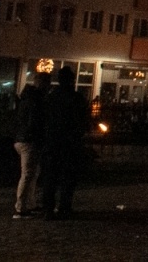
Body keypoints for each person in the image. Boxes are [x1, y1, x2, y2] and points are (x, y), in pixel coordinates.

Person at [41, 65, 88, 218]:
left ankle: (48, 208)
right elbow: (83, 121)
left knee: (51, 177)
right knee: (67, 177)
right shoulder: (76, 98)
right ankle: (64, 207)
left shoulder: (51, 97)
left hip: (53, 141)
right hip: (69, 142)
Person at [13, 70, 51, 218]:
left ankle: (29, 204)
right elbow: (34, 121)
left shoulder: (27, 97)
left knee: (32, 173)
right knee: (28, 174)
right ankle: (20, 207)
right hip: (29, 140)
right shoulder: (36, 100)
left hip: (22, 138)